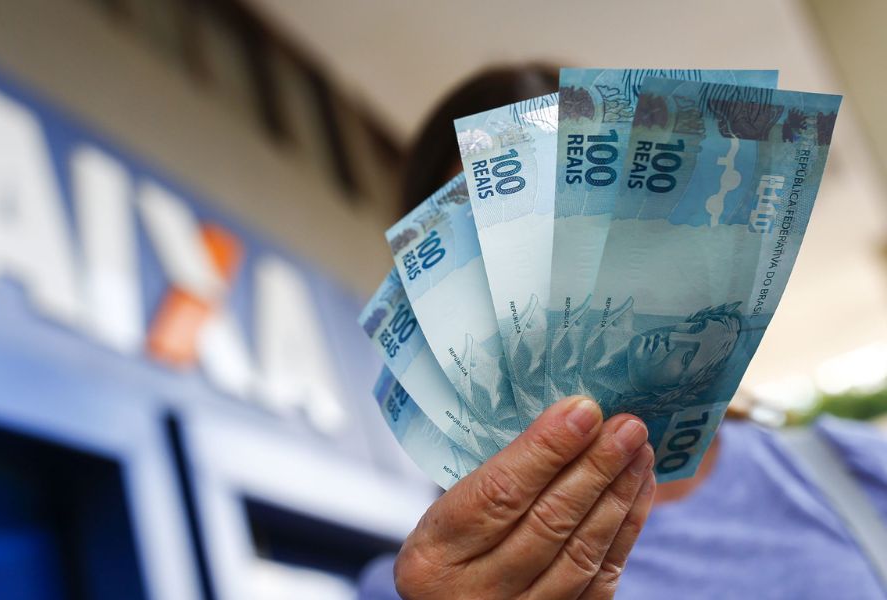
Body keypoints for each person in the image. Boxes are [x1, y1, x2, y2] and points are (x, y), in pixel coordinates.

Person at [360, 66, 887, 599]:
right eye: (490, 245)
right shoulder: (417, 590)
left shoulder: (852, 470)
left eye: (583, 215)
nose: (551, 279)